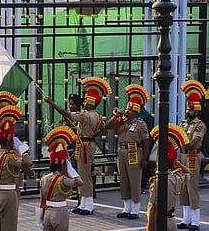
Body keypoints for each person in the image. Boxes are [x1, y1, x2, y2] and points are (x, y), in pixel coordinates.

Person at [45, 76, 112, 215]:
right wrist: (92, 134)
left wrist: (52, 104)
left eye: (86, 101)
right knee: (83, 173)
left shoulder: (86, 115)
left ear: (90, 102)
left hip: (85, 145)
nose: (84, 103)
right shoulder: (98, 116)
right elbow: (104, 129)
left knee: (84, 175)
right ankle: (83, 203)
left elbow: (67, 114)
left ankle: (88, 205)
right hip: (88, 143)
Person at [103, 84, 150, 220]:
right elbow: (108, 126)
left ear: (135, 112)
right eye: (127, 109)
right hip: (122, 151)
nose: (127, 112)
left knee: (134, 181)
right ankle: (126, 207)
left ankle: (135, 209)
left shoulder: (141, 124)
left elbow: (146, 141)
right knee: (124, 180)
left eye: (130, 110)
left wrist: (145, 158)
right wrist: (116, 115)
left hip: (134, 151)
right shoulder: (122, 122)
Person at [0, 105, 30, 230]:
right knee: (8, 227)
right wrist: (21, 148)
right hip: (9, 194)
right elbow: (28, 163)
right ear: (10, 141)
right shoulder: (10, 157)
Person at [177, 80, 209, 230]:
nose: (188, 111)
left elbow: (193, 141)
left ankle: (195, 220)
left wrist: (180, 141)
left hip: (192, 156)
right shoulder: (183, 123)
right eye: (187, 108)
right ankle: (185, 219)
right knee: (183, 188)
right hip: (182, 155)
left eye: (190, 109)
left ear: (196, 110)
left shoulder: (200, 125)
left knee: (192, 187)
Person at [37, 126, 84, 230]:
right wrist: (71, 170)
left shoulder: (44, 178)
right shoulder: (63, 180)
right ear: (64, 165)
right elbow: (80, 182)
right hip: (59, 212)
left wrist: (39, 219)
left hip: (47, 213)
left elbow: (42, 201)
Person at [147, 124, 191, 231]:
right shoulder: (177, 178)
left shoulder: (157, 181)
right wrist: (179, 165)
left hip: (159, 221)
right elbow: (189, 173)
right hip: (171, 221)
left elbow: (153, 208)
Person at [139, 106, 154, 194]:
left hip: (143, 144)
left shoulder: (146, 115)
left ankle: (142, 185)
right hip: (132, 145)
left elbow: (150, 133)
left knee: (144, 165)